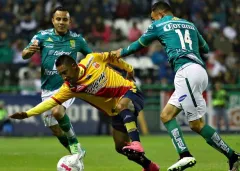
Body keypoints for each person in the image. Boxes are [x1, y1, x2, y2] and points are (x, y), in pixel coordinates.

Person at [111, 1, 240, 171]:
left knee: (196, 124)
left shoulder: (159, 24)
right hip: (198, 71)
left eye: (153, 18)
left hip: (186, 71)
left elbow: (139, 44)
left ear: (158, 14)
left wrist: (120, 53)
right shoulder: (189, 24)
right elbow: (205, 48)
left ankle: (188, 156)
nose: (152, 21)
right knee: (166, 115)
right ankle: (231, 157)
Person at [10, 52, 159, 171]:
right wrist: (27, 114)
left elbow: (112, 57)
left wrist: (129, 69)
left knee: (122, 106)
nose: (64, 77)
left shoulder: (92, 59)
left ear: (74, 66)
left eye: (65, 72)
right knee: (120, 147)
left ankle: (137, 142)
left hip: (129, 92)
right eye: (61, 74)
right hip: (115, 112)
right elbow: (50, 102)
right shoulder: (70, 88)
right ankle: (149, 166)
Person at [21, 6, 92, 157]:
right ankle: (75, 154)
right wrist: (29, 51)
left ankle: (74, 143)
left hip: (68, 85)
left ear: (69, 21)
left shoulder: (77, 40)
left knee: (57, 111)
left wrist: (82, 71)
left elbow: (92, 57)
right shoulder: (41, 37)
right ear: (53, 21)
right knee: (55, 128)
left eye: (64, 19)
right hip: (47, 88)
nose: (61, 22)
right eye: (58, 19)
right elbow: (24, 55)